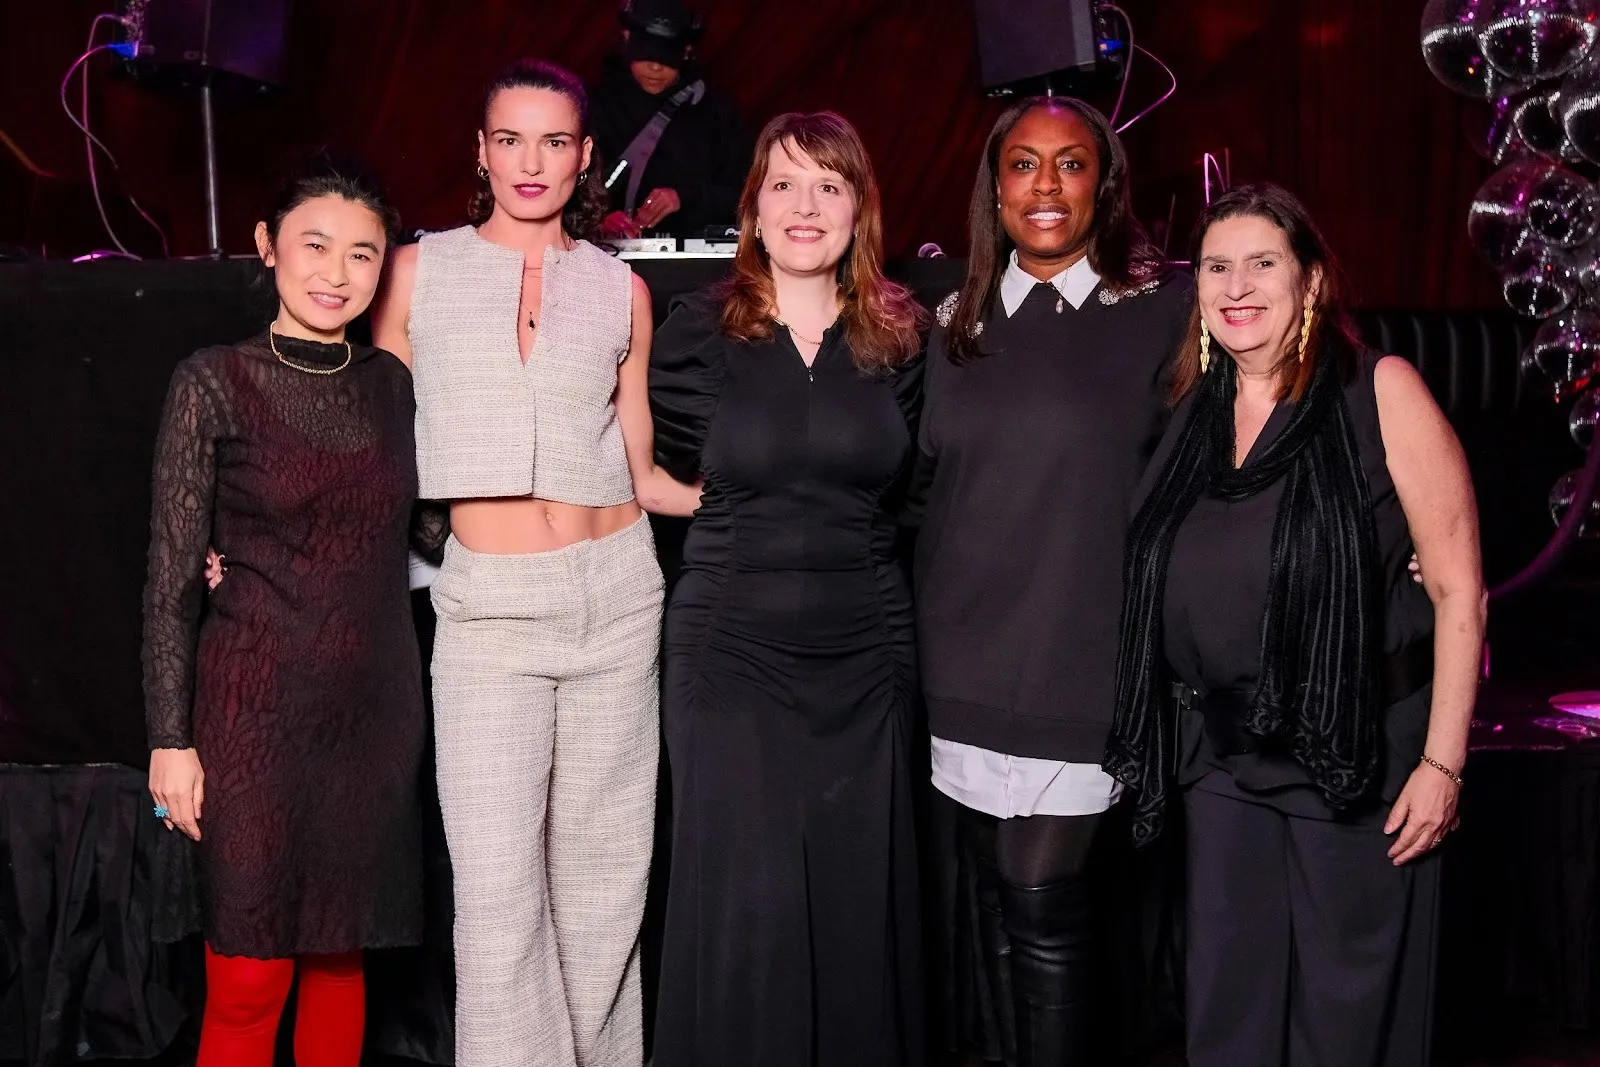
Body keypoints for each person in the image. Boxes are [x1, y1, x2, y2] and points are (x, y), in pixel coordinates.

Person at [1104, 183, 1485, 1067]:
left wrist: (1442, 765)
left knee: (1345, 1025)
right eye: (1217, 266)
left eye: (1263, 263)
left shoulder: (1381, 390)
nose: (1238, 285)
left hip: (1354, 758)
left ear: (1311, 282)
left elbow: (1462, 592)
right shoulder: (1191, 410)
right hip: (1220, 763)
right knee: (1226, 1013)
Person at [369, 59, 698, 1067]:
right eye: (509, 139)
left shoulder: (622, 289)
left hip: (618, 593)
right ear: (479, 149)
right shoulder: (419, 271)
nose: (531, 162)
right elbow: (363, 440)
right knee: (499, 896)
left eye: (554, 141)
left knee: (605, 887)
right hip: (489, 610)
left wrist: (775, 507)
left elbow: (643, 469)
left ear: (585, 156)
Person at [912, 96, 1193, 1066]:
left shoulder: (1162, 312)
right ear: (995, 186)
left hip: (1083, 660)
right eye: (1022, 164)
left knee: (1042, 900)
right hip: (962, 657)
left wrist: (1396, 529)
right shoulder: (945, 319)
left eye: (1069, 164)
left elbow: (1277, 429)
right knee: (1000, 895)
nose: (1043, 185)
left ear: (1103, 185)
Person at [648, 111, 928, 1067]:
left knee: (859, 892)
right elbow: (641, 471)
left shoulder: (902, 336)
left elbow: (924, 493)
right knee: (746, 901)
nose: (806, 206)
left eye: (830, 186)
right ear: (753, 210)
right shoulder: (694, 330)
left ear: (860, 209)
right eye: (784, 185)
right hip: (732, 650)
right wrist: (736, 515)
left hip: (868, 647)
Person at [142, 153, 422, 1067]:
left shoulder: (393, 387)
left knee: (342, 962)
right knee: (250, 975)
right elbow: (171, 578)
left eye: (362, 255)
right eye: (315, 245)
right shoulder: (213, 380)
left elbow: (425, 533)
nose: (336, 273)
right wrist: (168, 738)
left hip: (371, 716)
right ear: (266, 246)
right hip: (251, 713)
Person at [589, 0, 752, 241]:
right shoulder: (591, 105)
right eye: (645, 54)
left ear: (686, 52)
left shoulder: (716, 113)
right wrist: (597, 221)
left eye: (666, 58)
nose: (655, 67)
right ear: (625, 40)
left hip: (691, 259)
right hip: (607, 257)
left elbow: (747, 196)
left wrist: (685, 199)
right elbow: (566, 188)